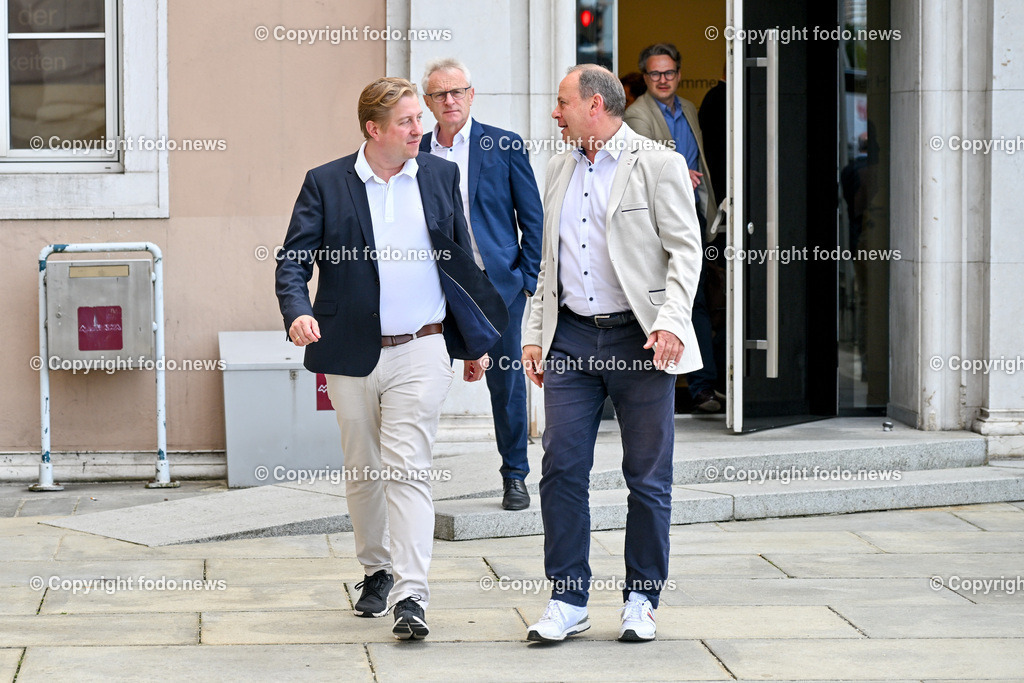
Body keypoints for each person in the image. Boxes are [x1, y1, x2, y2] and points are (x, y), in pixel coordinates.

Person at [275, 77, 507, 641]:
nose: (419, 129)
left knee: (408, 468)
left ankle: (411, 594)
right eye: (406, 121)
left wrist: (471, 342)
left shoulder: (438, 175)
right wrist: (297, 312)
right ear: (374, 129)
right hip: (350, 352)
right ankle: (376, 568)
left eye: (418, 119)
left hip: (422, 348)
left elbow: (460, 261)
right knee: (363, 468)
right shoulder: (326, 183)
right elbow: (292, 261)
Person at [522, 64, 703, 643]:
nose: (556, 112)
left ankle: (642, 598)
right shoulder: (557, 167)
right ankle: (568, 599)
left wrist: (672, 322)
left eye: (562, 102)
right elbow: (548, 262)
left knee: (647, 478)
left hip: (639, 339)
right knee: (560, 468)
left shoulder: (657, 163)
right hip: (571, 338)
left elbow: (686, 251)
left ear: (595, 106)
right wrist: (533, 331)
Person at [418, 58, 544, 511]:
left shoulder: (503, 145)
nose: (449, 101)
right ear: (428, 102)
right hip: (435, 288)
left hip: (498, 289)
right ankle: (412, 482)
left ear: (472, 95)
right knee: (420, 380)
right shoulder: (416, 153)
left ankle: (515, 475)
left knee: (506, 385)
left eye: (457, 92)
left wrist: (526, 281)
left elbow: (533, 218)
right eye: (439, 94)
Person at [624, 42, 720, 413]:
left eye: (669, 73)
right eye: (654, 73)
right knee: (675, 297)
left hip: (693, 212)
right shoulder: (636, 115)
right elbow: (649, 169)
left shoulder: (691, 110)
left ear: (679, 74)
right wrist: (680, 175)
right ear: (644, 77)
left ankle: (703, 384)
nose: (662, 79)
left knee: (697, 299)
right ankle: (694, 386)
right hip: (658, 221)